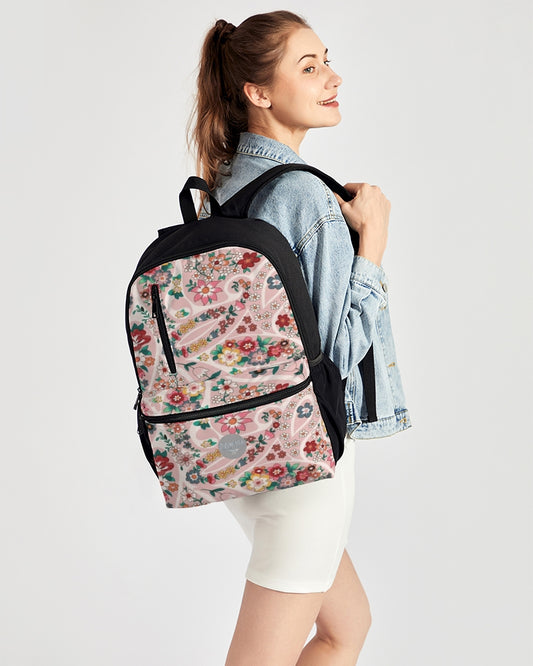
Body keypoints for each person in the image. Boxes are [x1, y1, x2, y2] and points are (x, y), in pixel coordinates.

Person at [186, 10, 412, 665]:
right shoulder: (305, 197)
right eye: (309, 67)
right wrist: (372, 244)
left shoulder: (221, 185)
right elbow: (336, 356)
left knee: (346, 626)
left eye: (327, 61)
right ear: (258, 92)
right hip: (304, 462)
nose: (332, 78)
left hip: (239, 450)